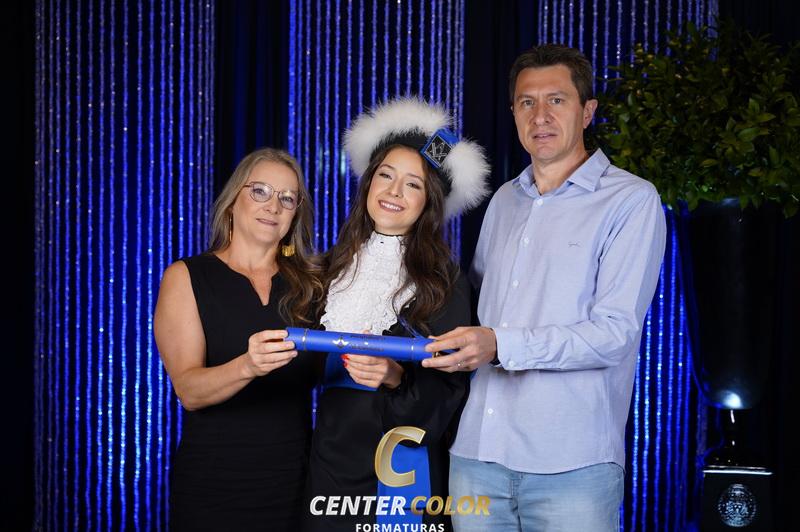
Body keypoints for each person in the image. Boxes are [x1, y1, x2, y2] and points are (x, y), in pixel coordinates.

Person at [422, 44, 667, 531]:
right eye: (526, 102)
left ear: (587, 111)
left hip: (572, 466)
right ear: (513, 112)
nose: (540, 116)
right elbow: (472, 307)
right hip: (476, 456)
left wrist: (499, 345)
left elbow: (614, 334)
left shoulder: (631, 200)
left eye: (557, 100)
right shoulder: (504, 201)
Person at [304, 97, 490, 531]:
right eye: (386, 175)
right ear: (369, 181)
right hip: (331, 459)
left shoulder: (445, 281)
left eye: (413, 184)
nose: (393, 192)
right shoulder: (328, 268)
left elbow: (451, 390)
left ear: (429, 202)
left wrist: (394, 376)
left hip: (401, 463)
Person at [154, 148, 323, 531]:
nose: (273, 206)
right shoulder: (187, 276)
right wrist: (247, 366)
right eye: (260, 191)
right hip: (214, 487)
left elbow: (328, 372)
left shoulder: (311, 286)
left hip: (295, 484)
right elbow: (188, 390)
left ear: (294, 214)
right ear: (233, 201)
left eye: (287, 198)